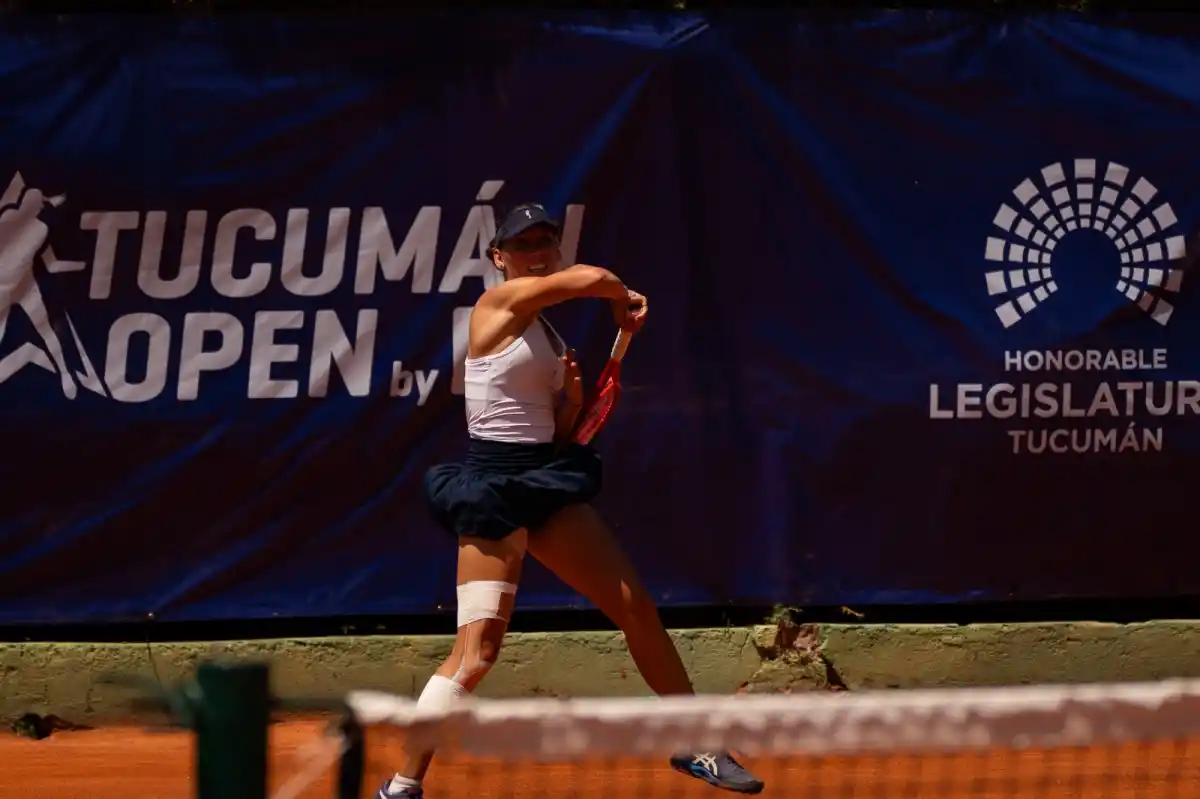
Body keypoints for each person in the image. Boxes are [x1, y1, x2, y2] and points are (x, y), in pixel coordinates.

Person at [379, 204, 765, 798]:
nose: (537, 252)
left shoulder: (548, 335)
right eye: (523, 244)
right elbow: (592, 279)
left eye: (545, 241)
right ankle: (402, 786)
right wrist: (618, 298)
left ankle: (696, 742)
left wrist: (573, 396)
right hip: (492, 492)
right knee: (477, 653)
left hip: (543, 482)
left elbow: (560, 433)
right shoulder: (496, 305)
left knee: (636, 608)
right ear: (499, 258)